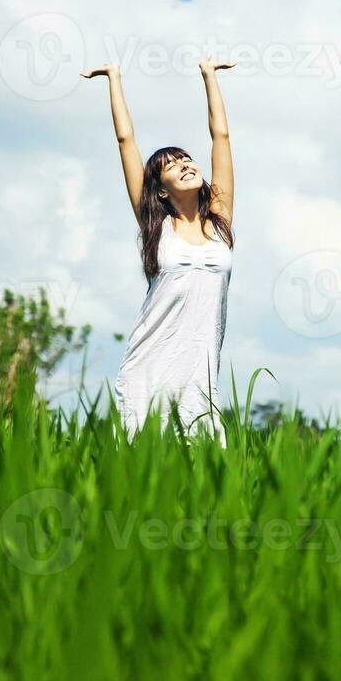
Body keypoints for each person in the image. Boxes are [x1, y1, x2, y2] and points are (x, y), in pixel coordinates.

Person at [80, 54, 236, 447]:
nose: (185, 164)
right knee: (140, 471)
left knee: (204, 475)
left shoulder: (219, 221)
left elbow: (221, 138)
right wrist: (114, 77)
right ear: (161, 190)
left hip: (200, 377)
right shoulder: (157, 228)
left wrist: (209, 76)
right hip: (148, 368)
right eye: (172, 165)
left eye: (186, 158)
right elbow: (126, 141)